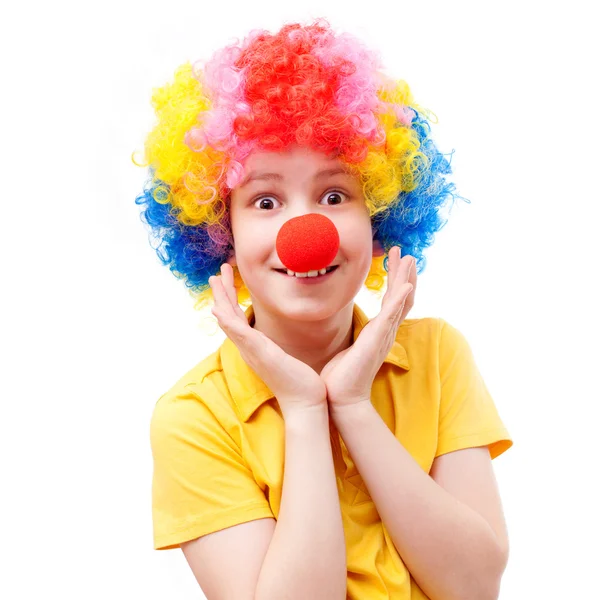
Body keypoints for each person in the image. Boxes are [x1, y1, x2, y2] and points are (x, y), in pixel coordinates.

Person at [134, 18, 513, 600]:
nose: (303, 231)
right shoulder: (194, 418)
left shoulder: (437, 356)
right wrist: (305, 408)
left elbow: (474, 585)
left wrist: (355, 405)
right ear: (221, 236)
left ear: (380, 218)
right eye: (265, 200)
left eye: (334, 196)